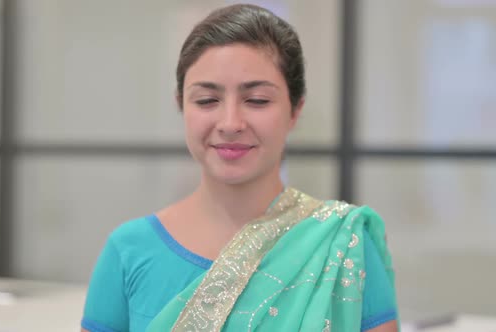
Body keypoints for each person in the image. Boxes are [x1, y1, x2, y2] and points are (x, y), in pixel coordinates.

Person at [81, 4, 398, 332]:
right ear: (181, 106)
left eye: (258, 100)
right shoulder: (129, 251)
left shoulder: (343, 246)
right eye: (206, 100)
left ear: (295, 110)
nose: (230, 123)